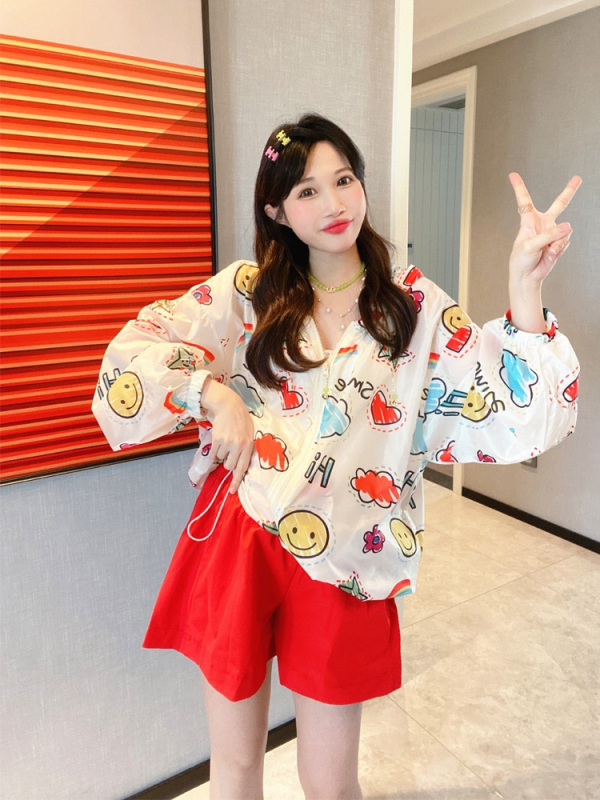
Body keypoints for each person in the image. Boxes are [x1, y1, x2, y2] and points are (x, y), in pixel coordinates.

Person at [92, 113, 581, 800]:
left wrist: (525, 287)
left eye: (344, 179)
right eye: (308, 191)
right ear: (276, 210)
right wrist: (212, 394)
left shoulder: (412, 307)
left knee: (330, 780)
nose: (334, 203)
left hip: (349, 550)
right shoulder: (247, 293)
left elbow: (516, 403)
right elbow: (129, 358)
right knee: (236, 765)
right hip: (242, 535)